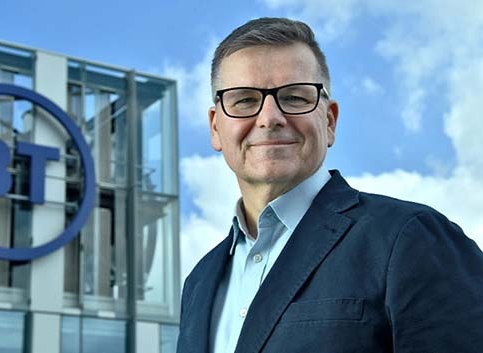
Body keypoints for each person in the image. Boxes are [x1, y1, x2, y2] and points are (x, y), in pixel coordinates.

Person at [177, 17, 483, 353]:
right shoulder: (199, 281)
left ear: (330, 120)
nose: (269, 118)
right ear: (215, 128)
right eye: (244, 100)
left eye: (294, 98)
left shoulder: (411, 238)